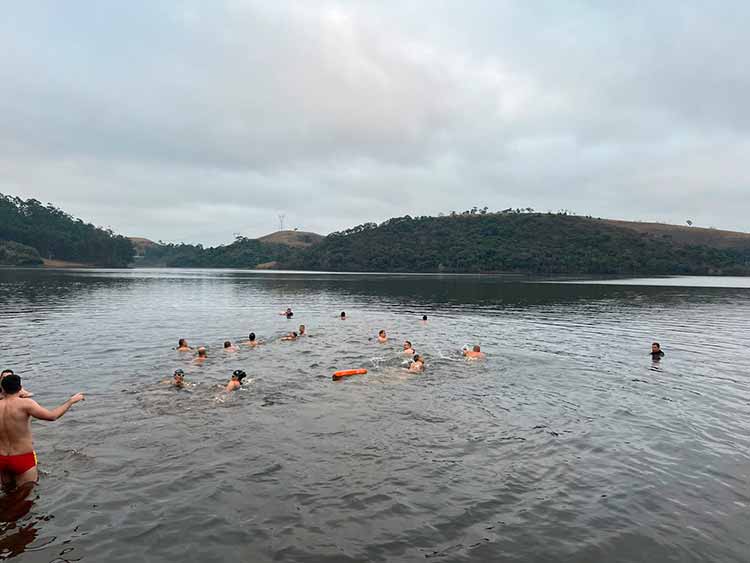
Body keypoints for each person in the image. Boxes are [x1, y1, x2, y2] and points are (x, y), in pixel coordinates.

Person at [0, 373, 85, 488]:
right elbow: (52, 416)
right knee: (26, 496)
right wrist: (71, 401)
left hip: (2, 458)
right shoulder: (26, 404)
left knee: (7, 492)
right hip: (22, 457)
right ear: (20, 388)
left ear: (3, 389)